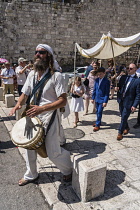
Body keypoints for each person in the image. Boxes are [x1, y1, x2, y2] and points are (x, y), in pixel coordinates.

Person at [9, 44, 72, 185]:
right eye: (36, 52)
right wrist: (18, 104)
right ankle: (31, 174)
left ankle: (67, 169)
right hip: (32, 114)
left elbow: (62, 101)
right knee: (29, 147)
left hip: (49, 116)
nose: (38, 55)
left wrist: (42, 109)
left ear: (48, 56)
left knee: (52, 151)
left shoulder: (57, 76)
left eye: (42, 52)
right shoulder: (31, 74)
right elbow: (25, 93)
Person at [115, 63, 140, 140]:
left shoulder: (138, 81)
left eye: (131, 68)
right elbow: (119, 86)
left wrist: (135, 105)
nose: (129, 70)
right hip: (121, 100)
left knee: (124, 117)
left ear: (135, 69)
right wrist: (117, 88)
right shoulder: (123, 77)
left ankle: (120, 132)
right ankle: (127, 127)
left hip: (129, 102)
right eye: (128, 68)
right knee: (123, 116)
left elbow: (138, 95)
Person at [91, 67, 110, 132]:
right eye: (98, 74)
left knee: (99, 111)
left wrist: (105, 101)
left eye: (101, 74)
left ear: (104, 73)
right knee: (97, 111)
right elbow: (95, 89)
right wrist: (93, 98)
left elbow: (107, 92)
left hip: (102, 99)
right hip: (97, 98)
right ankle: (98, 122)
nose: (99, 75)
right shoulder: (96, 80)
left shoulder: (107, 81)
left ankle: (97, 125)